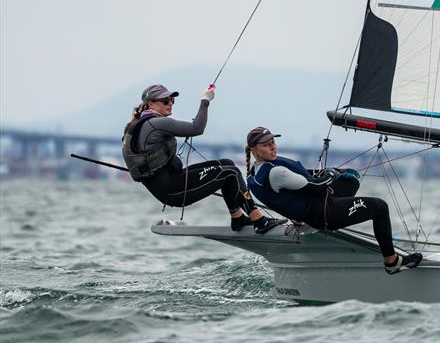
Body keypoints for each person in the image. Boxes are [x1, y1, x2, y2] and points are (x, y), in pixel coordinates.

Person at [244, 126, 423, 275]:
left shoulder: (255, 173)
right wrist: (330, 173)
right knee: (379, 207)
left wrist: (337, 172)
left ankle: (335, 213)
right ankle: (392, 262)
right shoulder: (275, 172)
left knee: (349, 181)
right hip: (322, 213)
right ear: (253, 150)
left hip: (312, 207)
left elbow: (302, 176)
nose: (272, 147)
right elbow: (316, 186)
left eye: (273, 142)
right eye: (266, 145)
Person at [122, 84, 280, 233]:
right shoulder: (156, 123)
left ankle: (237, 218)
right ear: (151, 104)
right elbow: (197, 128)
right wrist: (205, 101)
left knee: (226, 164)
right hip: (172, 189)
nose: (170, 103)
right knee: (229, 172)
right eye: (165, 101)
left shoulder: (140, 124)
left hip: (169, 183)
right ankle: (259, 221)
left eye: (172, 100)